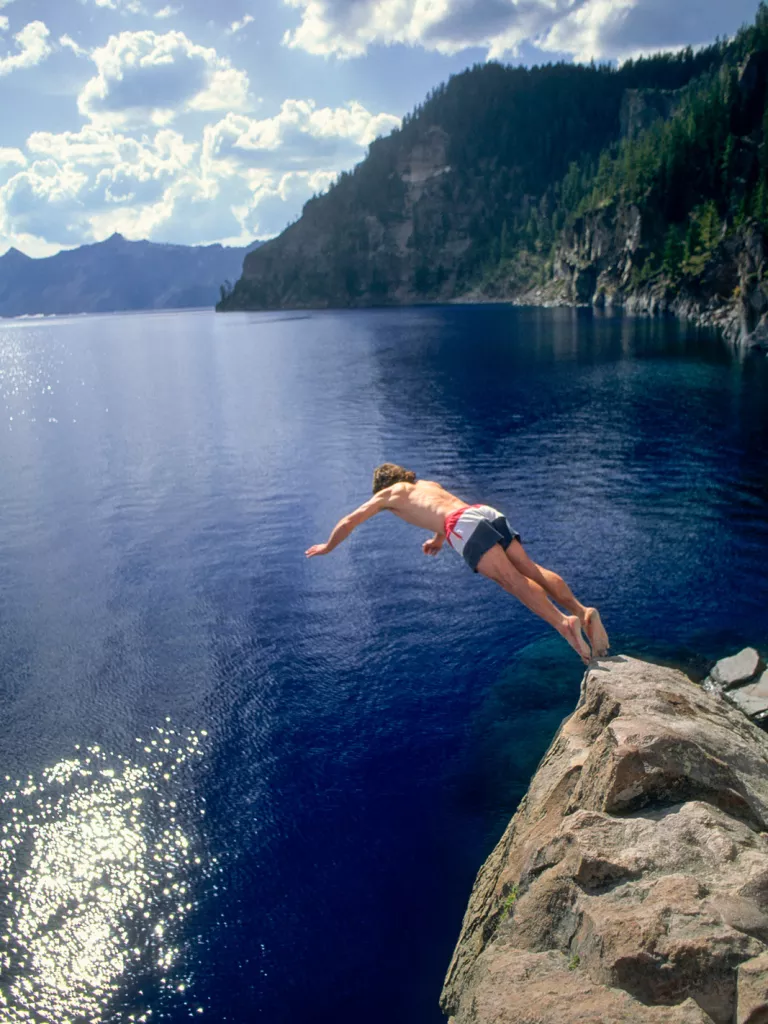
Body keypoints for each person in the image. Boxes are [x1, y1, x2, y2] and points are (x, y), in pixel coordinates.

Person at [305, 463, 609, 664]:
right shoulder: (428, 484)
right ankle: (581, 611)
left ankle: (564, 624)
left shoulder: (389, 493)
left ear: (384, 484)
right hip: (483, 512)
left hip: (462, 526)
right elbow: (442, 510)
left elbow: (349, 521)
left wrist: (328, 547)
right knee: (530, 569)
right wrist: (438, 540)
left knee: (512, 582)